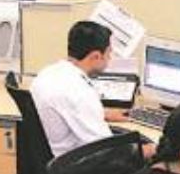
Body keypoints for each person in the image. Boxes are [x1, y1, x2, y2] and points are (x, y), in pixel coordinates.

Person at [30, 21, 153, 158]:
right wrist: (153, 149)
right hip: (73, 166)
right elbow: (109, 153)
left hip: (52, 160)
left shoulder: (47, 73)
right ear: (96, 56)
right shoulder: (79, 93)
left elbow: (68, 110)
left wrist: (101, 113)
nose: (110, 58)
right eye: (108, 53)